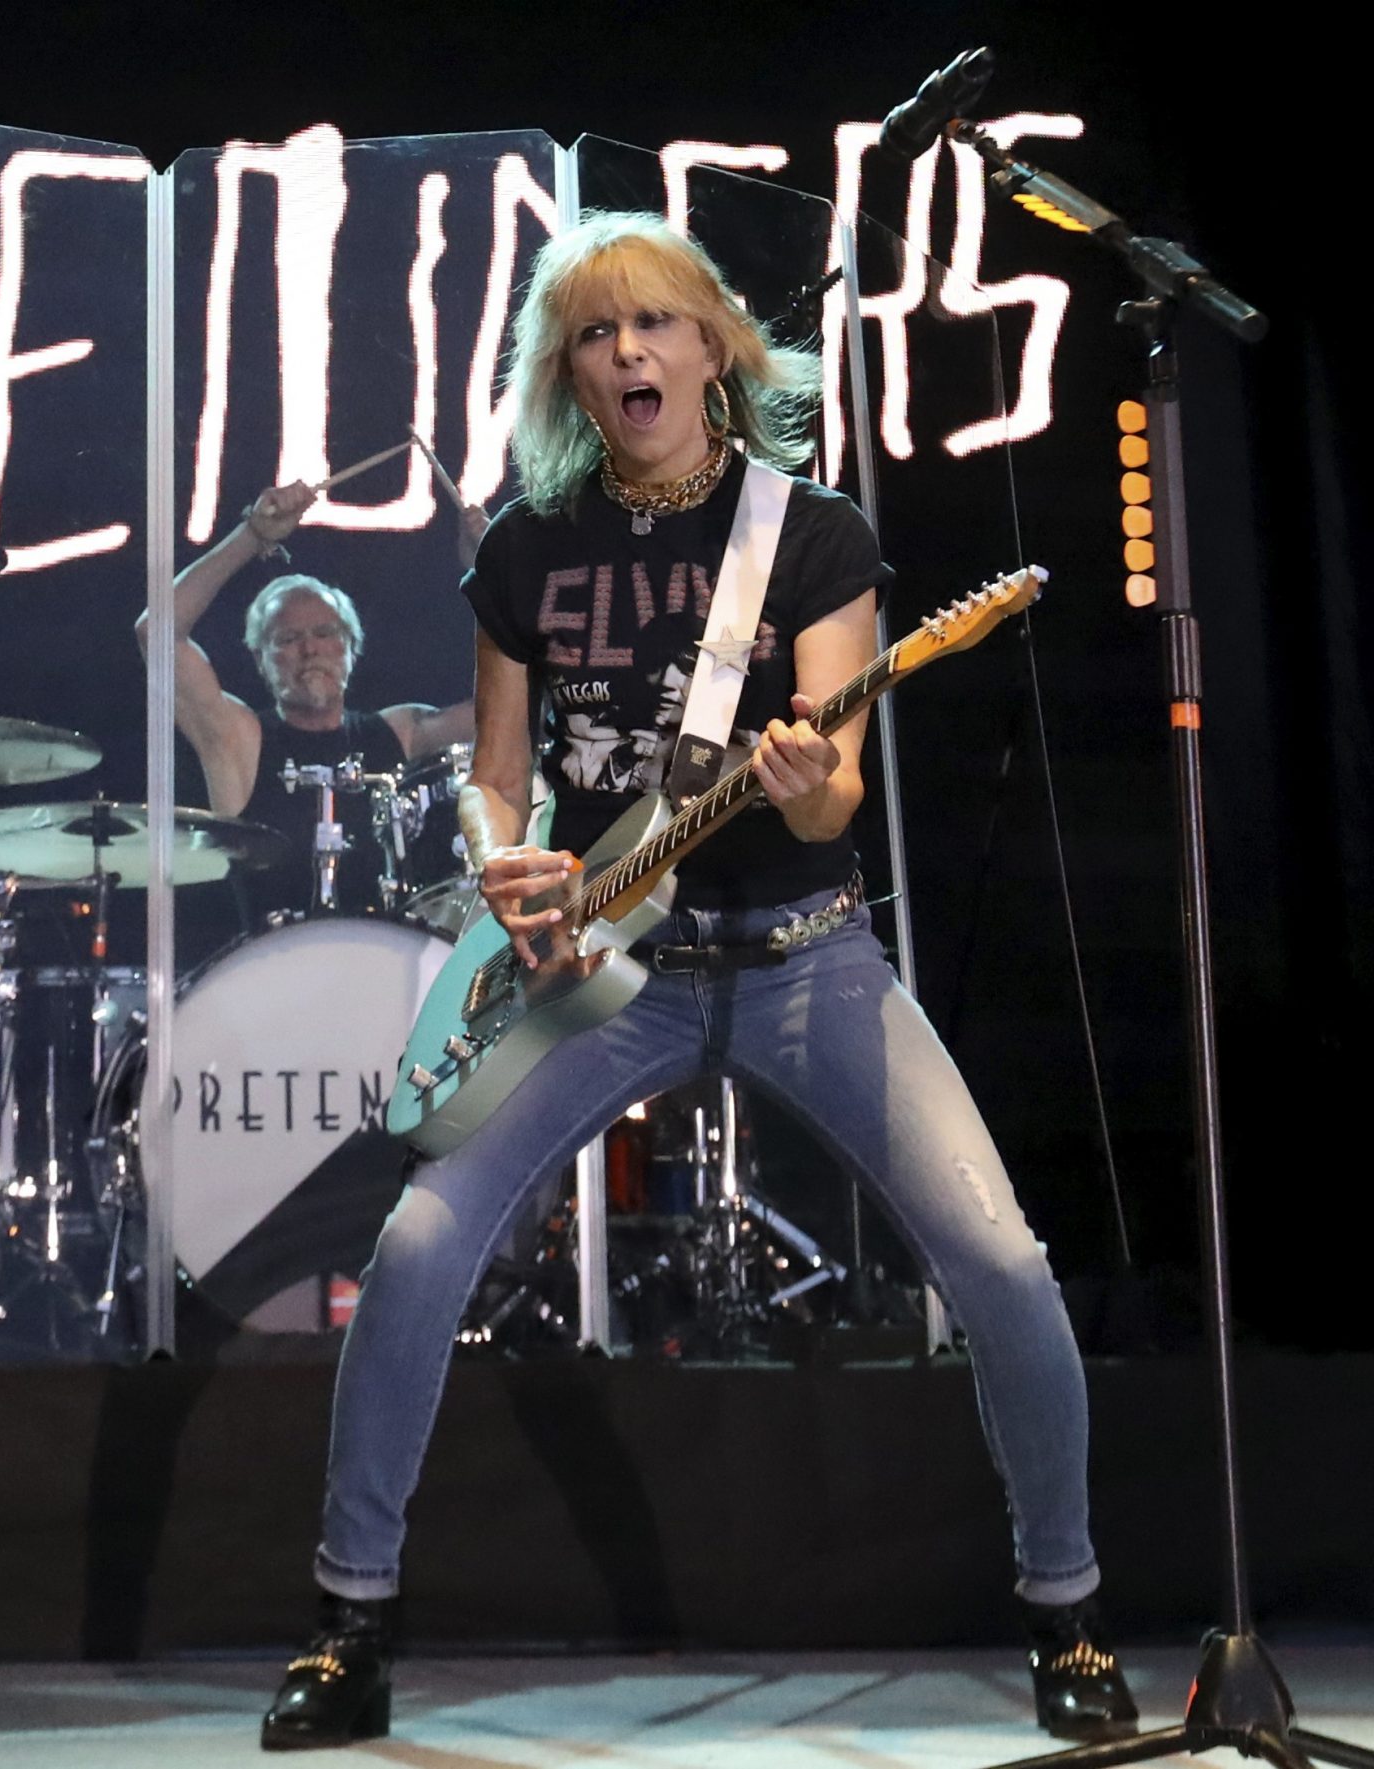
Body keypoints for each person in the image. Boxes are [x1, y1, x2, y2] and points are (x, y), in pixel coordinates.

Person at [259, 213, 1135, 1750]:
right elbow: (496, 775)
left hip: (808, 960)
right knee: (414, 1249)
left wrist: (800, 774)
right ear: (569, 376)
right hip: (605, 970)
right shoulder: (527, 552)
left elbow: (834, 794)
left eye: (654, 323)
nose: (627, 354)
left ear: (716, 345)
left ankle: (1067, 1610)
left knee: (999, 1263)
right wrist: (503, 859)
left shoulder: (809, 538)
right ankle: (348, 1623)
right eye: (596, 336)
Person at [136, 483, 482, 919]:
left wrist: (487, 579)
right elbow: (156, 632)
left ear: (351, 649)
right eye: (287, 638)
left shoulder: (400, 732)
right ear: (261, 659)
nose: (310, 649)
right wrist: (253, 535)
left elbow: (514, 710)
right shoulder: (237, 740)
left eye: (324, 633)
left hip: (387, 970)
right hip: (270, 975)